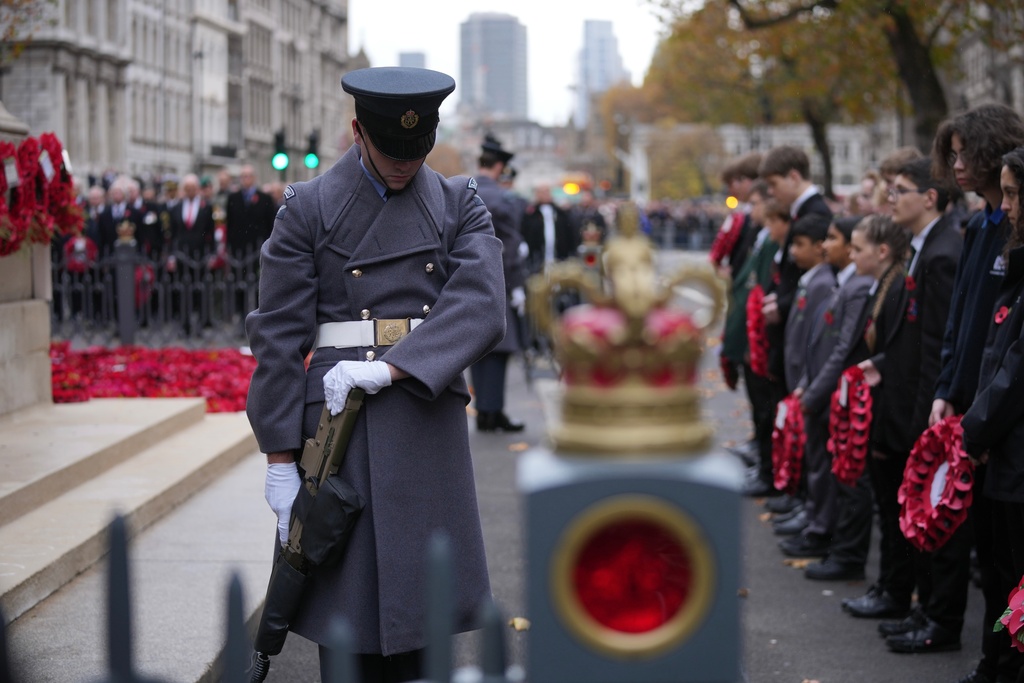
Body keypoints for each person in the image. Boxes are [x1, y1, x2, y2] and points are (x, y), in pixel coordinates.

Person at [246, 66, 504, 683]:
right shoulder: (306, 209)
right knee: (350, 619)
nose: (404, 163)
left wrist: (392, 369)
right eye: (391, 150)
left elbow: (481, 304)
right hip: (340, 428)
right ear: (357, 131)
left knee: (424, 612)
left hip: (421, 402)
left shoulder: (457, 201)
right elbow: (278, 335)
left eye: (417, 150)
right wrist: (280, 457)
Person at [928, 104, 1024, 683]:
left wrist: (980, 423)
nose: (958, 165)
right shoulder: (978, 227)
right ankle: (995, 657)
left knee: (1008, 561)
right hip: (976, 414)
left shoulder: (1007, 235)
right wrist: (948, 389)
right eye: (953, 153)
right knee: (990, 557)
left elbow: (1012, 355)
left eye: (967, 152)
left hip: (998, 423)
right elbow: (964, 322)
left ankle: (1004, 659)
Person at [960, 146, 1024, 683]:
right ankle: (998, 662)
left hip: (1013, 447)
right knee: (1001, 569)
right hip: (1004, 445)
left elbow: (1016, 369)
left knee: (1013, 571)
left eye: (1012, 194)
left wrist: (975, 428)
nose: (1005, 206)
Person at [799, 215, 876, 580]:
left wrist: (815, 391)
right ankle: (826, 534)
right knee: (824, 466)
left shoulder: (858, 286)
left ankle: (841, 550)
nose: (825, 245)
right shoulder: (843, 282)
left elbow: (843, 348)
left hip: (837, 395)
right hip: (824, 389)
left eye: (832, 238)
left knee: (845, 478)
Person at [470, 134, 527, 432]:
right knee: (499, 349)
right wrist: (518, 285)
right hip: (500, 282)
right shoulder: (503, 198)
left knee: (477, 350)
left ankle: (484, 409)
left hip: (467, 284)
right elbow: (511, 247)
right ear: (501, 167)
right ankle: (492, 411)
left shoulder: (463, 192)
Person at [522, 183, 576, 275]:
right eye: (541, 192)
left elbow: (569, 234)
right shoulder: (530, 214)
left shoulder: (560, 213)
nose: (544, 194)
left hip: (558, 257)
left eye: (546, 191)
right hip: (537, 259)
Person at [226, 163, 277, 257]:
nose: (246, 179)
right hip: (238, 247)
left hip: (258, 246)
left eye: (249, 176)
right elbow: (230, 223)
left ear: (254, 178)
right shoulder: (233, 198)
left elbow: (270, 223)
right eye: (244, 176)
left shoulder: (265, 199)